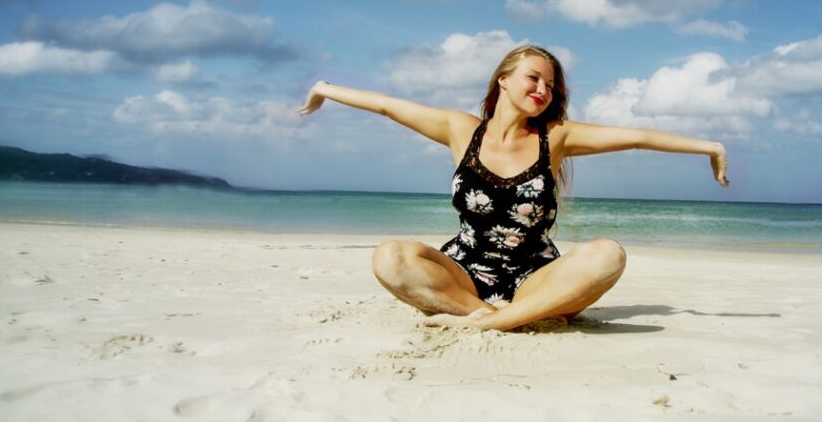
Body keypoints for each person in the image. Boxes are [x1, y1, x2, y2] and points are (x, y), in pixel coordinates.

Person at [298, 45, 728, 331]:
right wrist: (325, 89)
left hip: (535, 279)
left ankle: (491, 322)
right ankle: (488, 315)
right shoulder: (460, 130)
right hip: (463, 276)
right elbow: (389, 106)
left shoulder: (556, 136)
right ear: (503, 79)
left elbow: (638, 136)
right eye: (534, 78)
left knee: (608, 254)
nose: (543, 89)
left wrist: (708, 146)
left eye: (551, 85)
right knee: (390, 257)